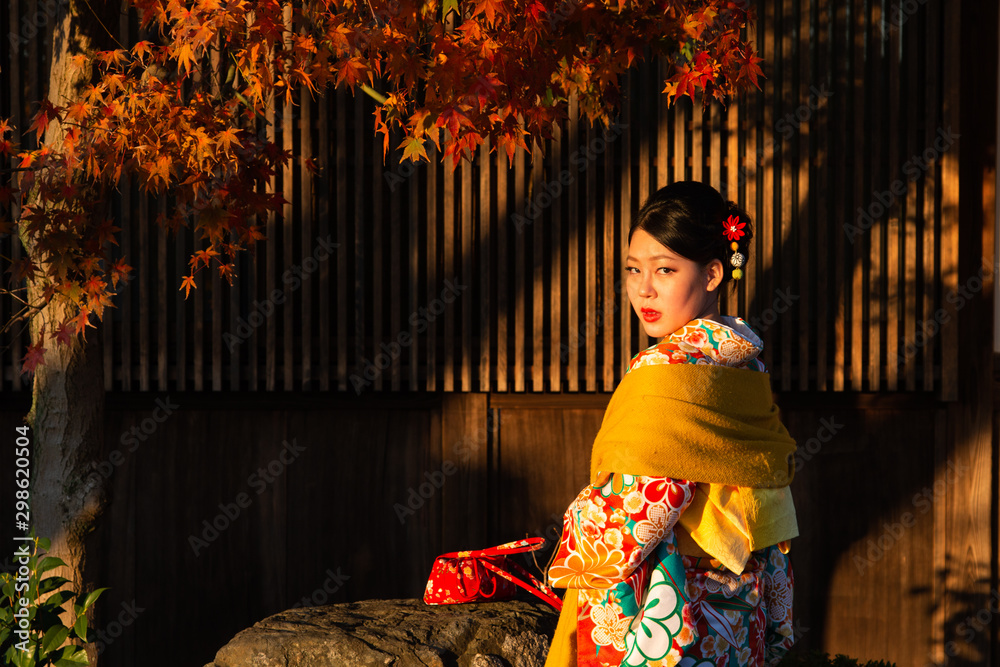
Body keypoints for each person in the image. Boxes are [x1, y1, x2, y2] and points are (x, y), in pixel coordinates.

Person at [545, 181, 798, 667]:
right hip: (741, 607)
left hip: (669, 611)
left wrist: (573, 537)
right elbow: (768, 498)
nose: (644, 288)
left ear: (713, 274)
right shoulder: (749, 365)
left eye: (664, 269)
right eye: (633, 269)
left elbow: (646, 502)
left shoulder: (664, 367)